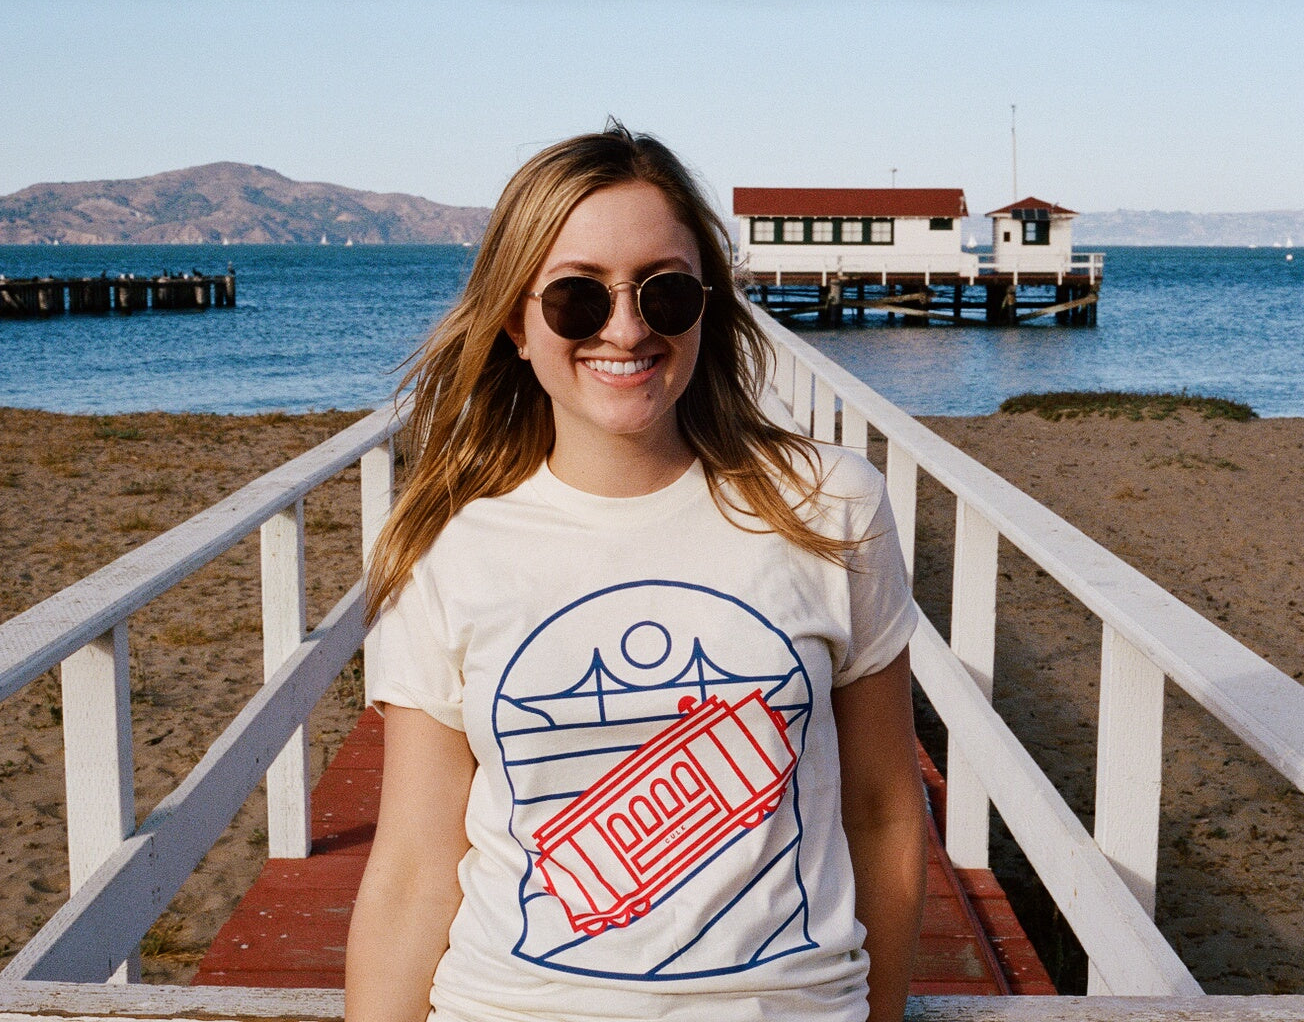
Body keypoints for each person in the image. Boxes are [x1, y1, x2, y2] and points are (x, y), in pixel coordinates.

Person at [346, 124, 927, 1022]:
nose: (625, 328)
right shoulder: (447, 545)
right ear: (515, 319)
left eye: (662, 293)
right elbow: (414, 872)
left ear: (706, 304)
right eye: (577, 298)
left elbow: (885, 810)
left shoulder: (829, 506)